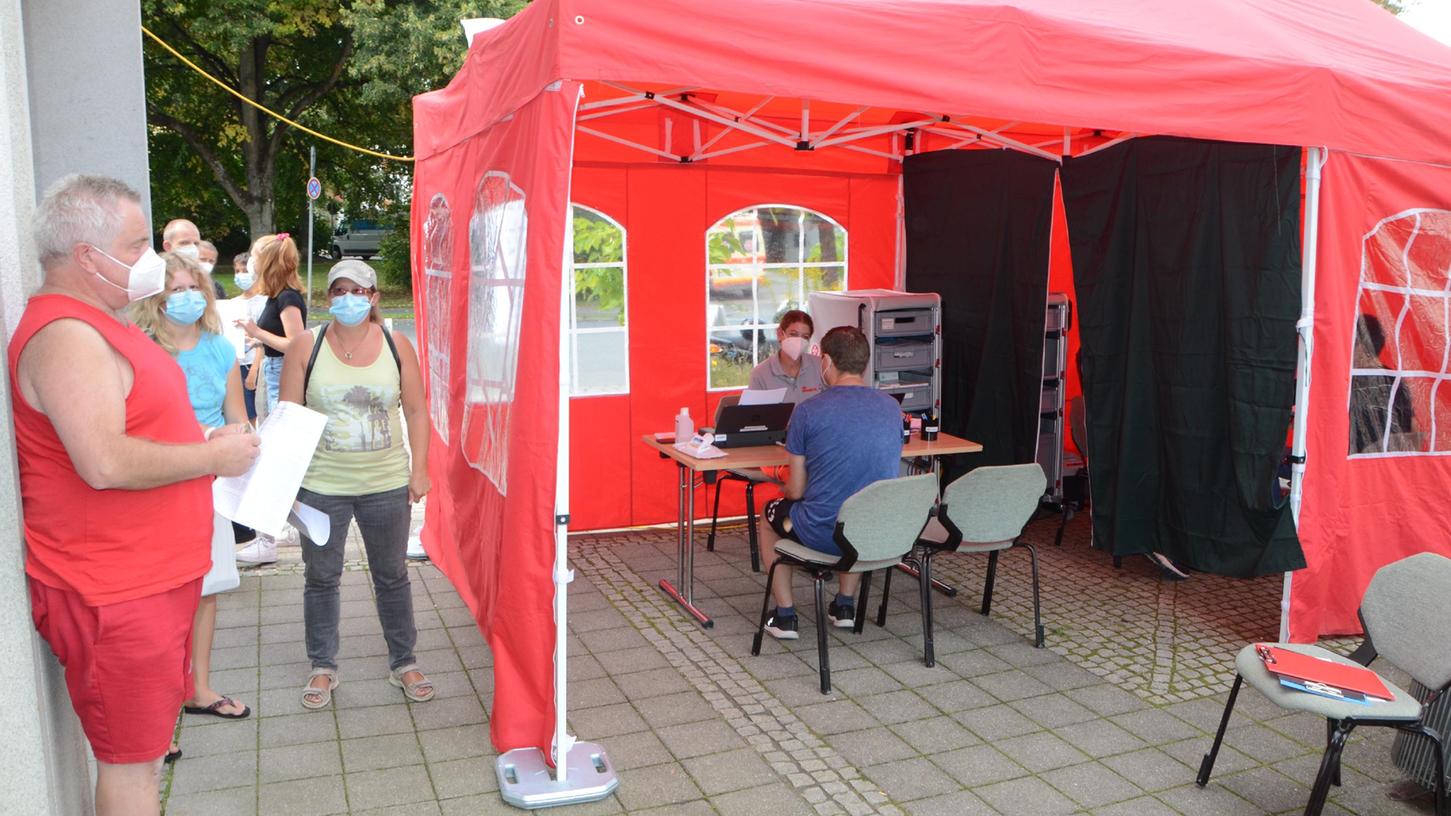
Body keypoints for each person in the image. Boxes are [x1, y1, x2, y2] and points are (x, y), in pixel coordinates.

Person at [10, 175, 258, 815]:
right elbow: (103, 461)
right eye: (138, 243)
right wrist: (213, 455)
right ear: (89, 256)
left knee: (143, 757)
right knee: (133, 768)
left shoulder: (100, 323)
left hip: (142, 586)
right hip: (116, 595)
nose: (152, 258)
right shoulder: (67, 334)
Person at [279, 260, 435, 708]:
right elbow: (288, 416)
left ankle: (403, 661)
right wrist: (287, 481)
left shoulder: (395, 343)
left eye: (358, 291)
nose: (348, 299)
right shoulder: (306, 346)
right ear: (328, 298)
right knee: (321, 577)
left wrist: (419, 469)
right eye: (338, 291)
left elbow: (417, 411)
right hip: (321, 485)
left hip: (386, 482)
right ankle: (323, 666)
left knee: (392, 576)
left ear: (374, 297)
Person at [132, 252, 253, 723]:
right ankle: (157, 714)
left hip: (213, 484)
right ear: (156, 298)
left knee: (208, 589)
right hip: (161, 480)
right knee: (163, 596)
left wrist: (248, 441)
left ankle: (198, 688)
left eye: (192, 287)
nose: (185, 297)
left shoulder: (221, 348)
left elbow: (236, 416)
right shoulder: (142, 348)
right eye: (174, 289)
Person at [757, 326, 904, 639]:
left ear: (825, 361)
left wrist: (785, 484)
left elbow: (795, 490)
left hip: (823, 533)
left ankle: (784, 616)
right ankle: (845, 606)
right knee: (855, 506)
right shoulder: (892, 407)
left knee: (769, 516)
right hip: (873, 531)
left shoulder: (808, 412)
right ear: (863, 363)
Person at [235, 234, 306, 565]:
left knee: (277, 455)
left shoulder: (287, 298)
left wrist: (257, 332)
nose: (250, 262)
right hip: (274, 375)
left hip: (283, 378)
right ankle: (277, 531)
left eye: (254, 256)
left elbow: (296, 343)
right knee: (275, 453)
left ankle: (272, 535)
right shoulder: (276, 296)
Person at [1350, 313, 1415, 454]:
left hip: (1357, 468)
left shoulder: (1351, 382)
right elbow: (1414, 431)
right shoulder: (1398, 381)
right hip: (1395, 466)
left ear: (1361, 347)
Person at [748, 309, 825, 404]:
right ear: (780, 333)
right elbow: (754, 415)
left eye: (805, 337)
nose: (799, 341)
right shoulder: (760, 374)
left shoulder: (820, 366)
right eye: (793, 334)